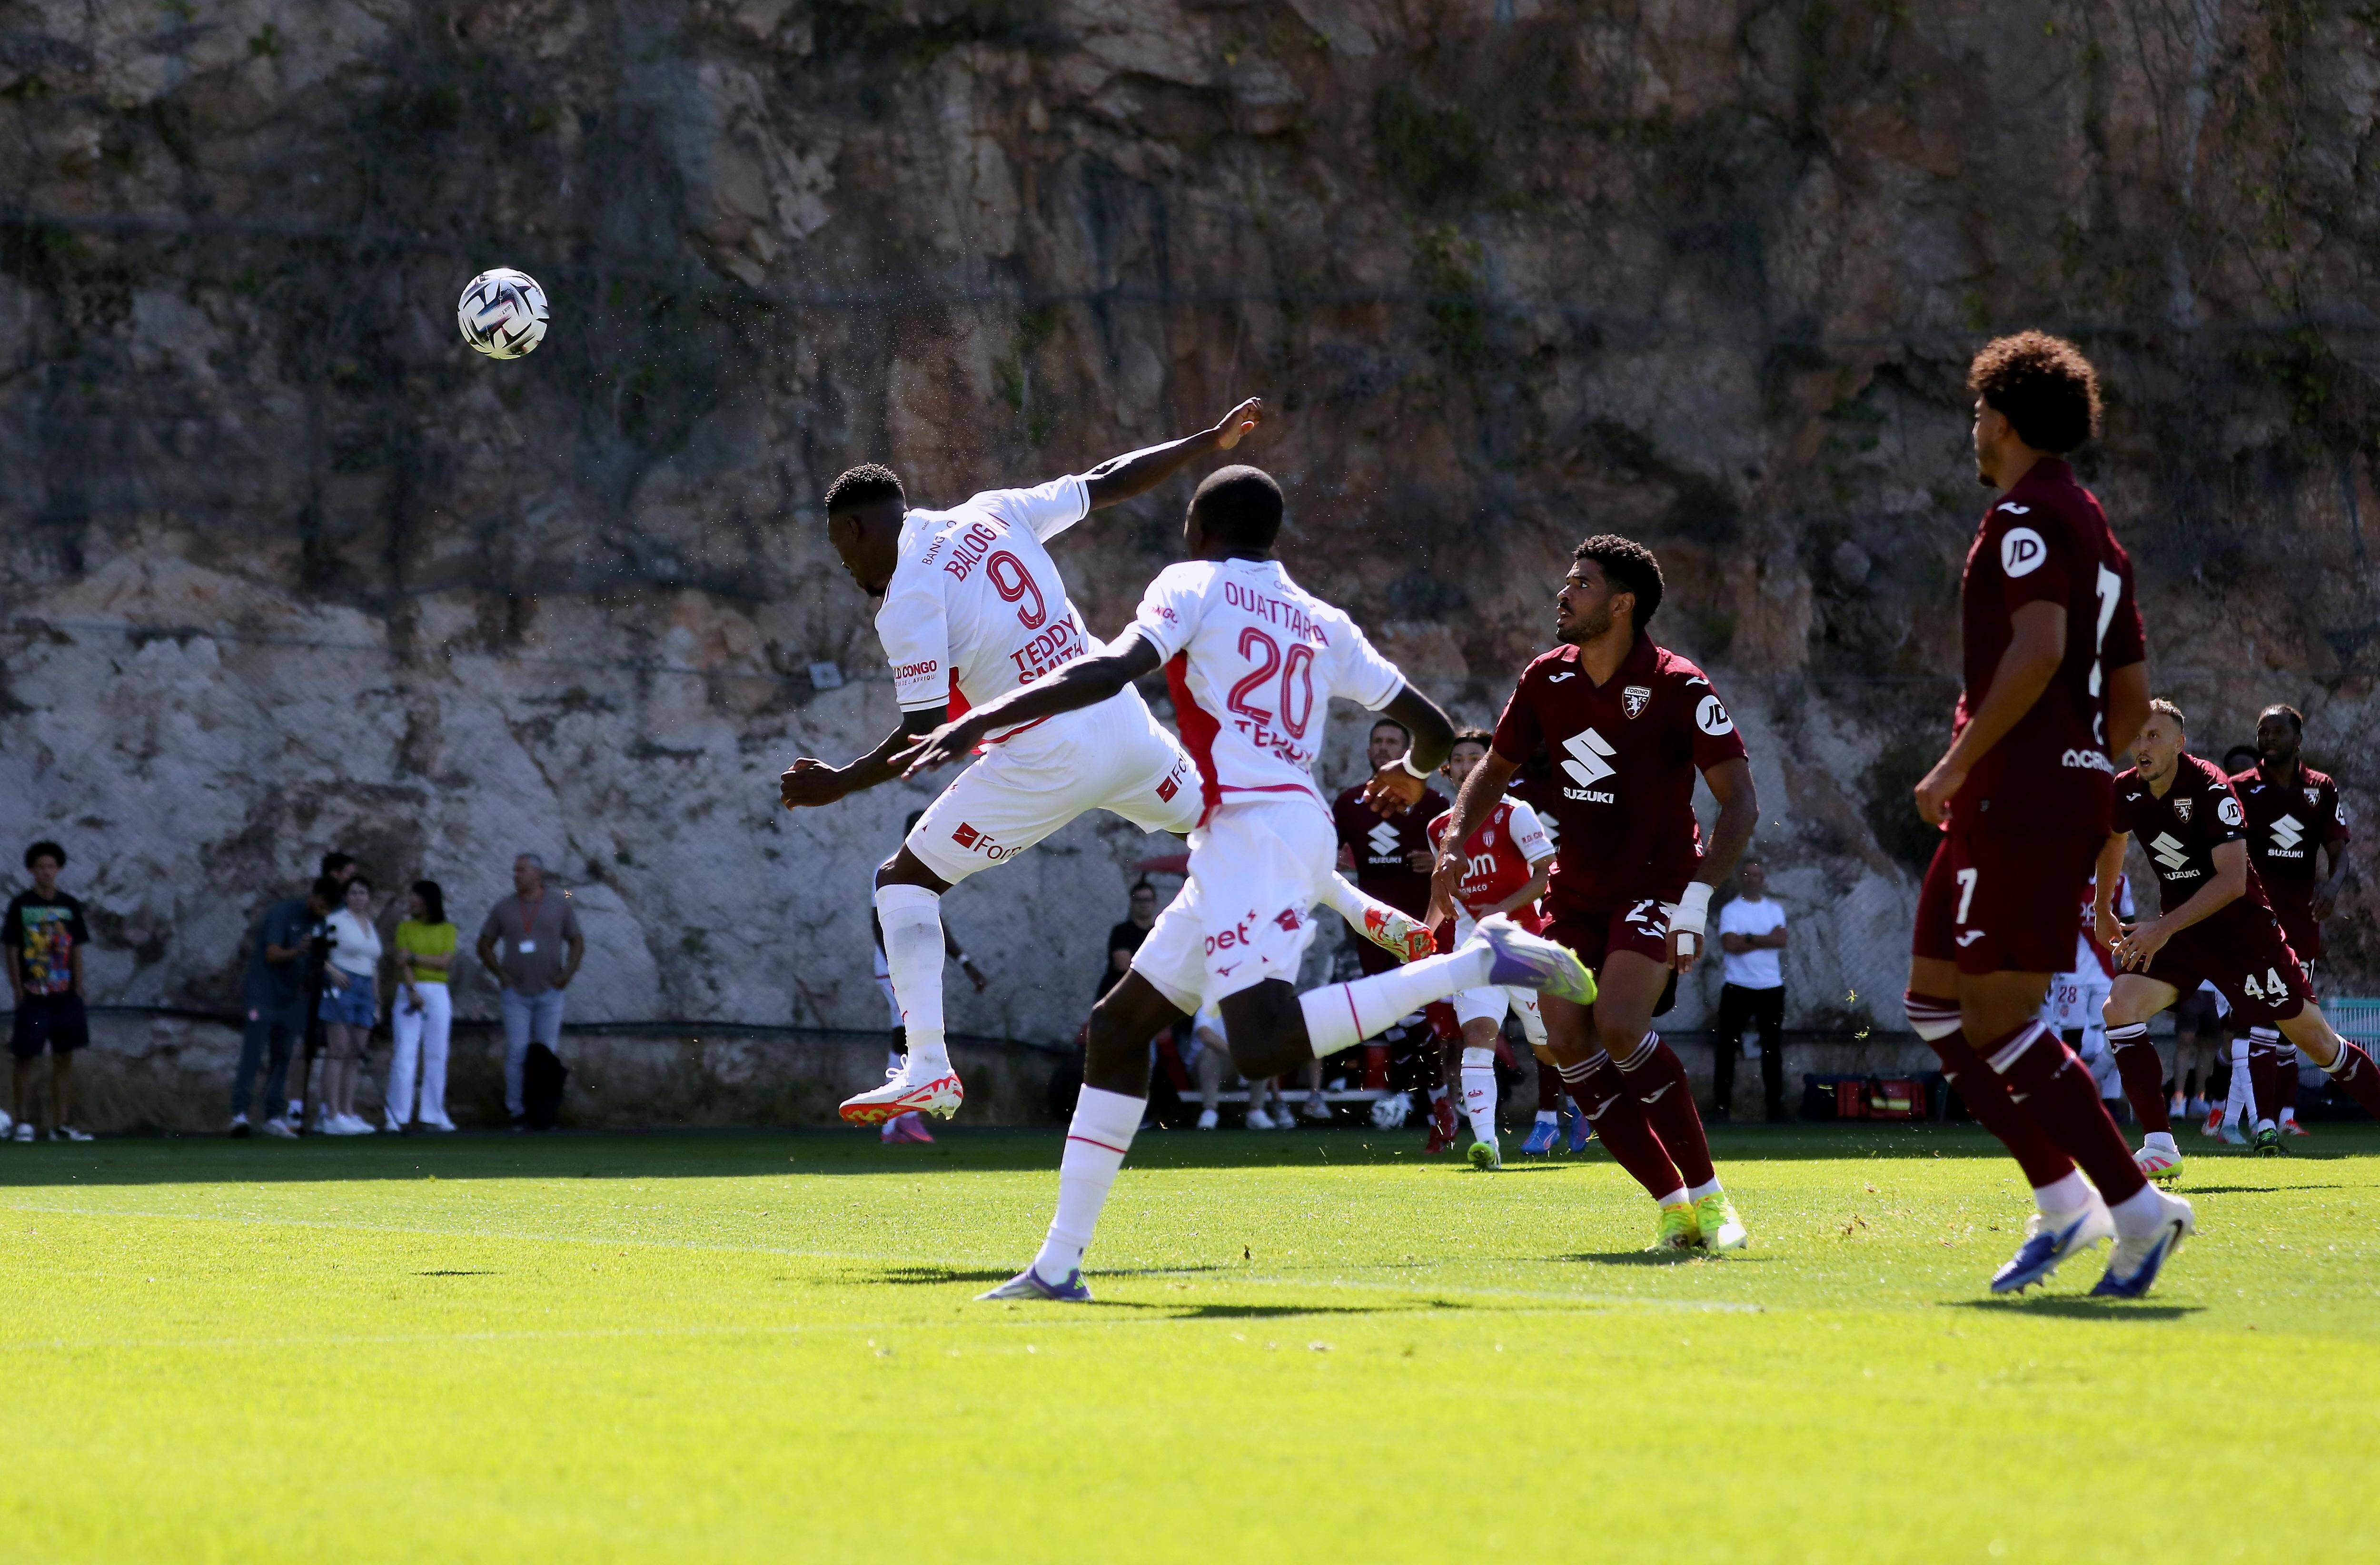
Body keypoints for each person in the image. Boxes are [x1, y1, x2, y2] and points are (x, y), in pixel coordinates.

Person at [901, 464, 1594, 1301]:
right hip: (1260, 831)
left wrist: (981, 718)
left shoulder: (1190, 583)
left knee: (1260, 1041)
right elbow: (1437, 730)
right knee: (1118, 1029)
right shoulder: (1321, 617)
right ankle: (1057, 1267)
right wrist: (1412, 776)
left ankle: (1477, 962)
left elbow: (1112, 670)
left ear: (1199, 528)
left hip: (1256, 834)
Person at [781, 403, 1277, 1132]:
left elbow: (923, 730)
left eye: (840, 548)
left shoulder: (907, 597)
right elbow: (1109, 480)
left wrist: (838, 783)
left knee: (902, 883)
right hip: (1124, 726)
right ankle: (1361, 912)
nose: (846, 565)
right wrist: (1208, 441)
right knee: (1229, 828)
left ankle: (927, 1067)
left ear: (855, 529)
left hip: (1046, 756)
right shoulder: (992, 512)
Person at [1904, 331, 2193, 1298]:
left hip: (2014, 793)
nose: (1973, 426)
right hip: (2035, 788)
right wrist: (2080, 761)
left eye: (1979, 409)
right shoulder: (2095, 525)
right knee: (1934, 1002)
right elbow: (2130, 699)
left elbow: (2037, 648)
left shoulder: (2026, 516)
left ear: (2006, 418)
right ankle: (2065, 1200)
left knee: (1998, 1015)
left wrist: (1961, 762)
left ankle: (2137, 1208)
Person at [1432, 535, 1758, 1252]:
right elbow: (1494, 768)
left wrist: (1696, 901)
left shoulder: (1680, 685)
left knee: (1617, 1023)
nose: (1563, 593)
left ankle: (1713, 1200)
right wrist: (1454, 839)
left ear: (1621, 604)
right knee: (1565, 1041)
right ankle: (1672, 1207)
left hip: (1657, 885)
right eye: (1567, 581)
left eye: (1580, 583)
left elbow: (1740, 803)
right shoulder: (1545, 677)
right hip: (1576, 895)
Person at [2096, 699, 2380, 1167]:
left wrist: (2160, 929)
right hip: (2184, 933)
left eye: (2154, 736)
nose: (2142, 746)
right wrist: (2101, 907)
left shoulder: (2211, 786)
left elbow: (2231, 882)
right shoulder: (2125, 790)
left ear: (2179, 743)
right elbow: (2113, 836)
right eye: (2137, 736)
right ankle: (2160, 1146)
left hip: (2242, 936)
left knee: (2319, 1044)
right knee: (2119, 1007)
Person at [1423, 730, 1556, 1170]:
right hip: (1474, 950)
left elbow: (1545, 875)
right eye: (1458, 759)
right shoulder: (1439, 829)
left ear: (1493, 766)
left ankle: (1584, 1106)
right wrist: (1424, 934)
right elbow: (1444, 892)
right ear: (1447, 770)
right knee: (1477, 1039)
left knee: (1550, 1047)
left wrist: (1501, 908)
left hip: (1523, 948)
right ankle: (1487, 1145)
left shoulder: (1516, 813)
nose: (1467, 766)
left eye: (1475, 758)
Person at [2232, 703, 2351, 1138]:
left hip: (2301, 923)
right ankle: (2263, 1124)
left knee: (2294, 1025)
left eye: (2277, 732)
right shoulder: (2241, 788)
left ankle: (2284, 1117)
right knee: (2263, 1020)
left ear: (2298, 740)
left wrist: (2332, 887)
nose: (2268, 739)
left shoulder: (2321, 788)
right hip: (2255, 920)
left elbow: (2339, 852)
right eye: (2262, 732)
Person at [869, 822, 987, 1146]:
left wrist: (966, 963)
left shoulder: (930, 867)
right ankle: (899, 1117)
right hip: (896, 970)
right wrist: (898, 966)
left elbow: (937, 924)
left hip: (917, 970)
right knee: (909, 1036)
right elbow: (878, 922)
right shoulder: (891, 868)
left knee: (908, 1035)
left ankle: (899, 1118)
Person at [476, 853, 585, 1129]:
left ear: (538, 874)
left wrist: (568, 973)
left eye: (522, 870)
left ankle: (544, 1111)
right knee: (517, 1052)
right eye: (515, 871)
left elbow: (577, 941)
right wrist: (500, 973)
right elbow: (484, 944)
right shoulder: (504, 907)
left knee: (547, 1053)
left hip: (550, 992)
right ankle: (518, 1111)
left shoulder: (560, 905)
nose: (516, 875)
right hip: (516, 994)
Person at [230, 877, 336, 1138]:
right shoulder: (284, 913)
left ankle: (273, 1115)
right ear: (314, 896)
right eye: (322, 905)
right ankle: (240, 1114)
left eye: (329, 909)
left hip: (294, 1000)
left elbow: (318, 959)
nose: (324, 912)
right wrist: (298, 951)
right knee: (253, 1053)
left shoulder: (321, 924)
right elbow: (272, 953)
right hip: (264, 996)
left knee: (283, 1056)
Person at [6, 842, 93, 1142]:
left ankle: (61, 1124)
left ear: (58, 870)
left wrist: (78, 986)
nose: (46, 872)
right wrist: (18, 988)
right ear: (32, 870)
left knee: (64, 1058)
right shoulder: (21, 905)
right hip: (34, 997)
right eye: (41, 867)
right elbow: (11, 948)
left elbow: (77, 948)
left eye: (51, 867)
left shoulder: (69, 906)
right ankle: (23, 1122)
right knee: (25, 1057)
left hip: (65, 997)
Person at [1713, 857, 1789, 1122]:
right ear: (1740, 878)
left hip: (1771, 988)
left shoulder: (1774, 910)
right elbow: (1730, 945)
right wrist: (1764, 940)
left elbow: (1781, 940)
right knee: (1726, 1048)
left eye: (1756, 875)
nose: (1752, 879)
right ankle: (1721, 1109)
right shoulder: (1731, 911)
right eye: (1747, 875)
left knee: (1772, 1049)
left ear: (1763, 880)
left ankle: (1775, 1111)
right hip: (1738, 987)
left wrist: (1747, 937)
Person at [291, 851, 358, 1128]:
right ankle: (295, 1109)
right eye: (349, 874)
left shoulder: (345, 911)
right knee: (304, 1045)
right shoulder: (313, 909)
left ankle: (327, 1110)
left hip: (334, 990)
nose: (353, 881)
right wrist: (330, 969)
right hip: (310, 986)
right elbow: (310, 947)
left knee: (334, 1047)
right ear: (335, 874)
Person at [386, 880, 458, 1133]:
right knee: (405, 1053)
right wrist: (411, 990)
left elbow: (444, 962)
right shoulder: (405, 928)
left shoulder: (447, 929)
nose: (411, 902)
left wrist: (415, 958)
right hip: (410, 990)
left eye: (415, 897)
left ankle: (433, 1113)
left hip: (438, 992)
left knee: (437, 1053)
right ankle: (397, 1115)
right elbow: (402, 961)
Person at [315, 874, 382, 1135]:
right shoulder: (336, 921)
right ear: (345, 896)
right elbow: (316, 951)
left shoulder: (370, 925)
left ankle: (348, 1110)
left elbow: (373, 964)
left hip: (366, 989)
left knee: (356, 1053)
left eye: (363, 893)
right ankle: (331, 1113)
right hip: (343, 985)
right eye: (353, 893)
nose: (358, 897)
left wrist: (376, 1000)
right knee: (338, 1049)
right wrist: (333, 971)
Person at [1101, 882, 1160, 998]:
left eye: (1147, 900)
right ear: (1132, 903)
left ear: (1154, 903)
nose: (1143, 904)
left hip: (1147, 996)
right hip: (1119, 995)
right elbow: (1124, 965)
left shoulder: (1158, 934)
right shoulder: (1121, 932)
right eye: (1139, 900)